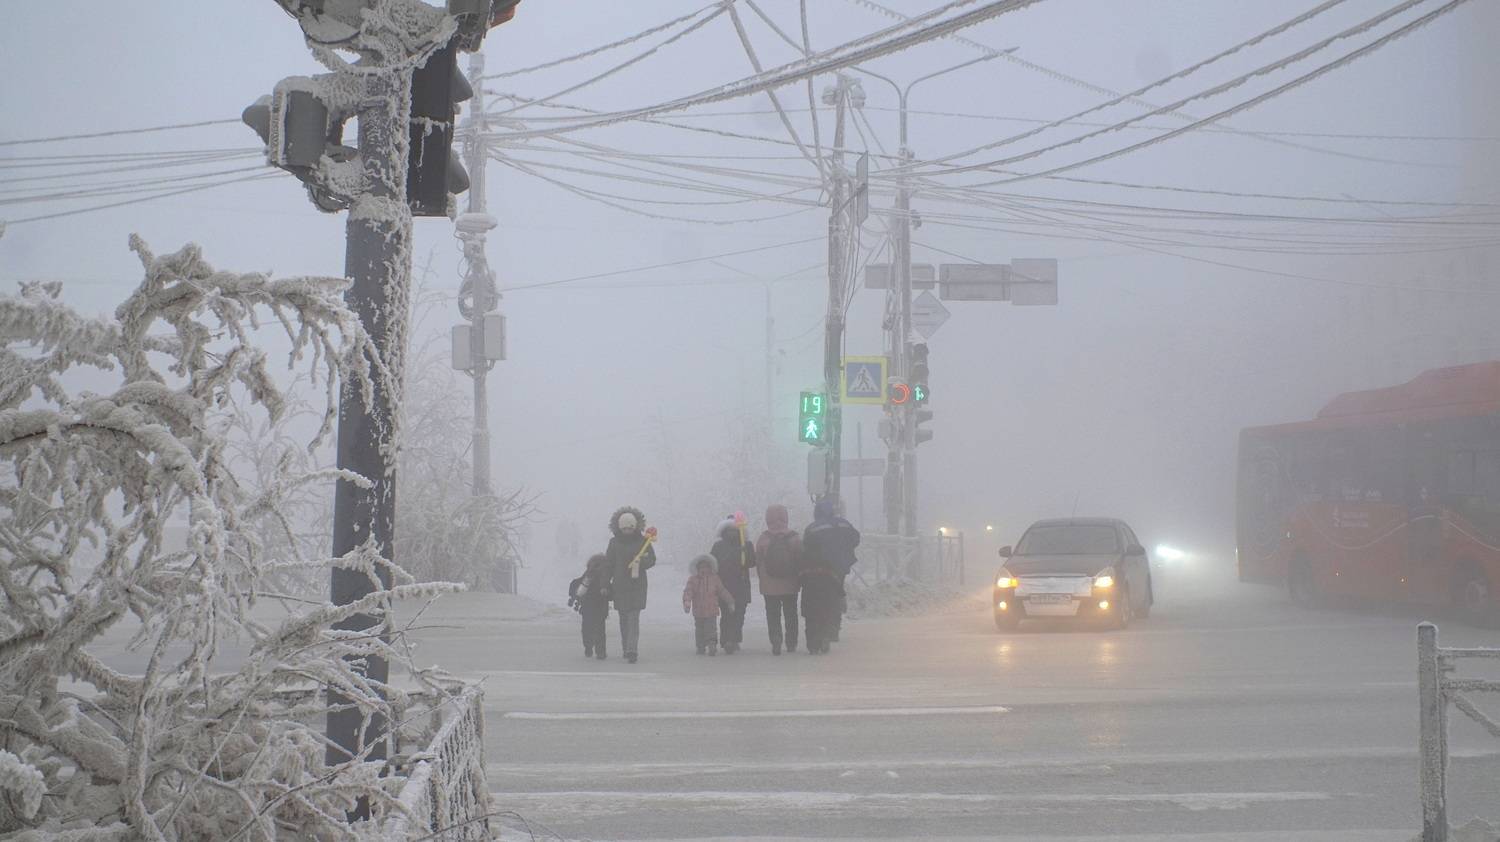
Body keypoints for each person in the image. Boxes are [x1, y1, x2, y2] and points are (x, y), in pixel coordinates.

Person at [802, 496, 860, 647]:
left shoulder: (813, 527)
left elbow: (806, 547)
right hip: (841, 566)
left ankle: (822, 629)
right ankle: (834, 628)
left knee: (821, 598)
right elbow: (856, 539)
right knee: (837, 594)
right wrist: (844, 550)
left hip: (821, 568)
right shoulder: (844, 523)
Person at [604, 506, 656, 664]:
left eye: (630, 528)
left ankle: (632, 650)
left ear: (635, 527)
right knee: (624, 619)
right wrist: (605, 583)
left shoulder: (644, 542)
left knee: (633, 619)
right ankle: (626, 647)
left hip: (637, 586)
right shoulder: (614, 543)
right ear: (620, 528)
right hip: (620, 586)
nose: (627, 531)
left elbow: (652, 559)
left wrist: (641, 562)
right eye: (625, 528)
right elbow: (609, 564)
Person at [754, 504, 802, 655]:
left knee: (773, 614)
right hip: (790, 584)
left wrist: (762, 579)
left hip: (769, 585)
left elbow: (758, 561)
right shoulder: (794, 537)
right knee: (791, 614)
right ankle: (791, 642)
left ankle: (776, 640)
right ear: (786, 517)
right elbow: (800, 559)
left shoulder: (763, 538)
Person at [711, 514, 756, 654]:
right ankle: (730, 640)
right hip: (732, 586)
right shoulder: (721, 545)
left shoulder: (744, 545)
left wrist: (745, 553)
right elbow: (712, 565)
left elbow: (752, 562)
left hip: (732, 586)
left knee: (733, 615)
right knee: (733, 615)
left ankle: (730, 640)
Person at [682, 554, 735, 656]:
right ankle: (700, 646)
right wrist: (687, 602)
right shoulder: (693, 579)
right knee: (700, 630)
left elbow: (722, 591)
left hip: (711, 610)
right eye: (702, 567)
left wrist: (730, 601)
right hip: (699, 611)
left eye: (706, 567)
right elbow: (688, 591)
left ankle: (712, 645)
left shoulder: (714, 578)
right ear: (697, 568)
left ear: (711, 567)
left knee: (711, 629)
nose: (704, 569)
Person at [568, 553, 611, 660]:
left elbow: (575, 584)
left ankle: (588, 646)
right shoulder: (605, 577)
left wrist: (573, 596)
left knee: (587, 628)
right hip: (600, 607)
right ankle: (600, 652)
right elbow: (610, 593)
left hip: (587, 607)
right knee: (600, 630)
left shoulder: (588, 574)